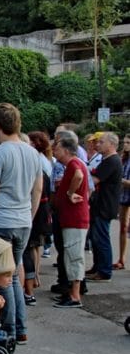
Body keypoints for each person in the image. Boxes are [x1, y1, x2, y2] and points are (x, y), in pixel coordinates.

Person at [0, 103, 43, 345]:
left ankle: (9, 329)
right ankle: (20, 327)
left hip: (0, 222)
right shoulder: (33, 153)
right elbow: (37, 189)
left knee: (2, 279)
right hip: (23, 221)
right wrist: (30, 215)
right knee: (13, 275)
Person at [52, 133, 89, 308]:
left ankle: (75, 295)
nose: (54, 151)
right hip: (71, 218)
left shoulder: (74, 163)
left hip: (74, 218)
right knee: (71, 254)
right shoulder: (74, 164)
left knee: (74, 255)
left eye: (57, 148)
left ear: (66, 150)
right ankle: (72, 292)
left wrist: (69, 192)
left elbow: (79, 176)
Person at [87, 132, 123, 282]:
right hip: (101, 204)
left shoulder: (111, 161)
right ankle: (98, 266)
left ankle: (104, 270)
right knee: (96, 238)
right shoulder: (108, 160)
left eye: (101, 142)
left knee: (101, 238)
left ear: (111, 145)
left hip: (105, 205)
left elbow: (94, 180)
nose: (97, 145)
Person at [22, 131, 52, 306]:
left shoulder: (36, 165)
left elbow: (38, 191)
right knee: (32, 248)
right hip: (35, 212)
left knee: (29, 249)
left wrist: (31, 214)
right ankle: (32, 283)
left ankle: (29, 287)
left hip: (32, 212)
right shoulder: (39, 163)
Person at [114, 134, 130, 270]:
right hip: (124, 197)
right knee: (123, 227)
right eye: (124, 142)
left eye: (128, 143)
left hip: (126, 193)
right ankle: (121, 258)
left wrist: (122, 181)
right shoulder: (123, 158)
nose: (125, 145)